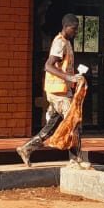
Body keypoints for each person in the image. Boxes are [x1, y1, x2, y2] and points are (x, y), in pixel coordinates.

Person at [17, 13, 87, 168]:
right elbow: (48, 65)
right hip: (58, 92)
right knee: (74, 121)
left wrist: (74, 77)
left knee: (53, 125)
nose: (75, 32)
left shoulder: (66, 42)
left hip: (61, 90)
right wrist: (68, 78)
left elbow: (62, 66)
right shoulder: (60, 43)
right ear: (66, 27)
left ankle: (26, 148)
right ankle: (76, 159)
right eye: (74, 29)